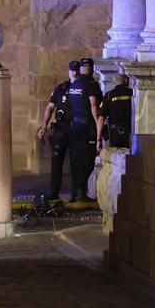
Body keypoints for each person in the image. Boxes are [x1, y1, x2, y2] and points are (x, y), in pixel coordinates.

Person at [36, 60, 78, 200]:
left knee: (76, 162)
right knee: (56, 161)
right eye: (72, 69)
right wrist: (44, 125)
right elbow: (50, 107)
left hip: (76, 129)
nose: (75, 72)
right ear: (69, 71)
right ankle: (54, 192)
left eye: (77, 69)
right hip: (61, 128)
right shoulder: (61, 88)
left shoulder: (82, 88)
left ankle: (76, 193)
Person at [65, 60, 102, 202]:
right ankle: (81, 193)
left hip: (75, 126)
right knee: (86, 160)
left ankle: (76, 192)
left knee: (76, 160)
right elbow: (93, 105)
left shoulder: (74, 84)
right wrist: (98, 121)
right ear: (91, 69)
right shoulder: (90, 84)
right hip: (87, 127)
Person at [100, 73, 133, 149]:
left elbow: (101, 119)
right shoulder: (132, 93)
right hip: (130, 131)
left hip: (114, 133)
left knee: (115, 155)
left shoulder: (108, 95)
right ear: (126, 80)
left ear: (114, 81)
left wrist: (98, 138)